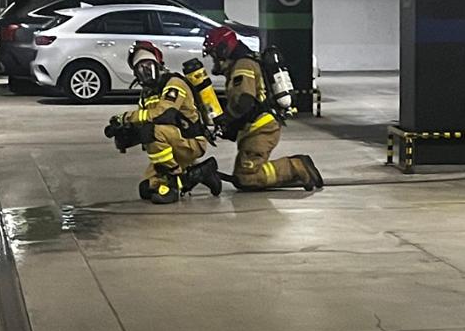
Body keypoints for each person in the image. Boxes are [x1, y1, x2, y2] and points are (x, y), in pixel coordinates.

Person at [202, 27, 323, 192]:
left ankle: (296, 167)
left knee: (247, 178)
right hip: (256, 127)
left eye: (214, 53)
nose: (214, 59)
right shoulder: (243, 63)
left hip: (261, 128)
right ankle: (293, 169)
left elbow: (245, 101)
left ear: (223, 50)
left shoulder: (243, 65)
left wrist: (227, 121)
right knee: (241, 177)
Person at [104, 41, 221, 204]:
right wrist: (122, 132)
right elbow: (143, 121)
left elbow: (164, 114)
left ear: (158, 64)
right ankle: (201, 173)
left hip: (190, 141)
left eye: (148, 65)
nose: (145, 71)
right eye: (140, 68)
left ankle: (174, 184)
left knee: (151, 132)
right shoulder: (146, 95)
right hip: (171, 143)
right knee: (146, 189)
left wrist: (127, 117)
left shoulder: (173, 83)